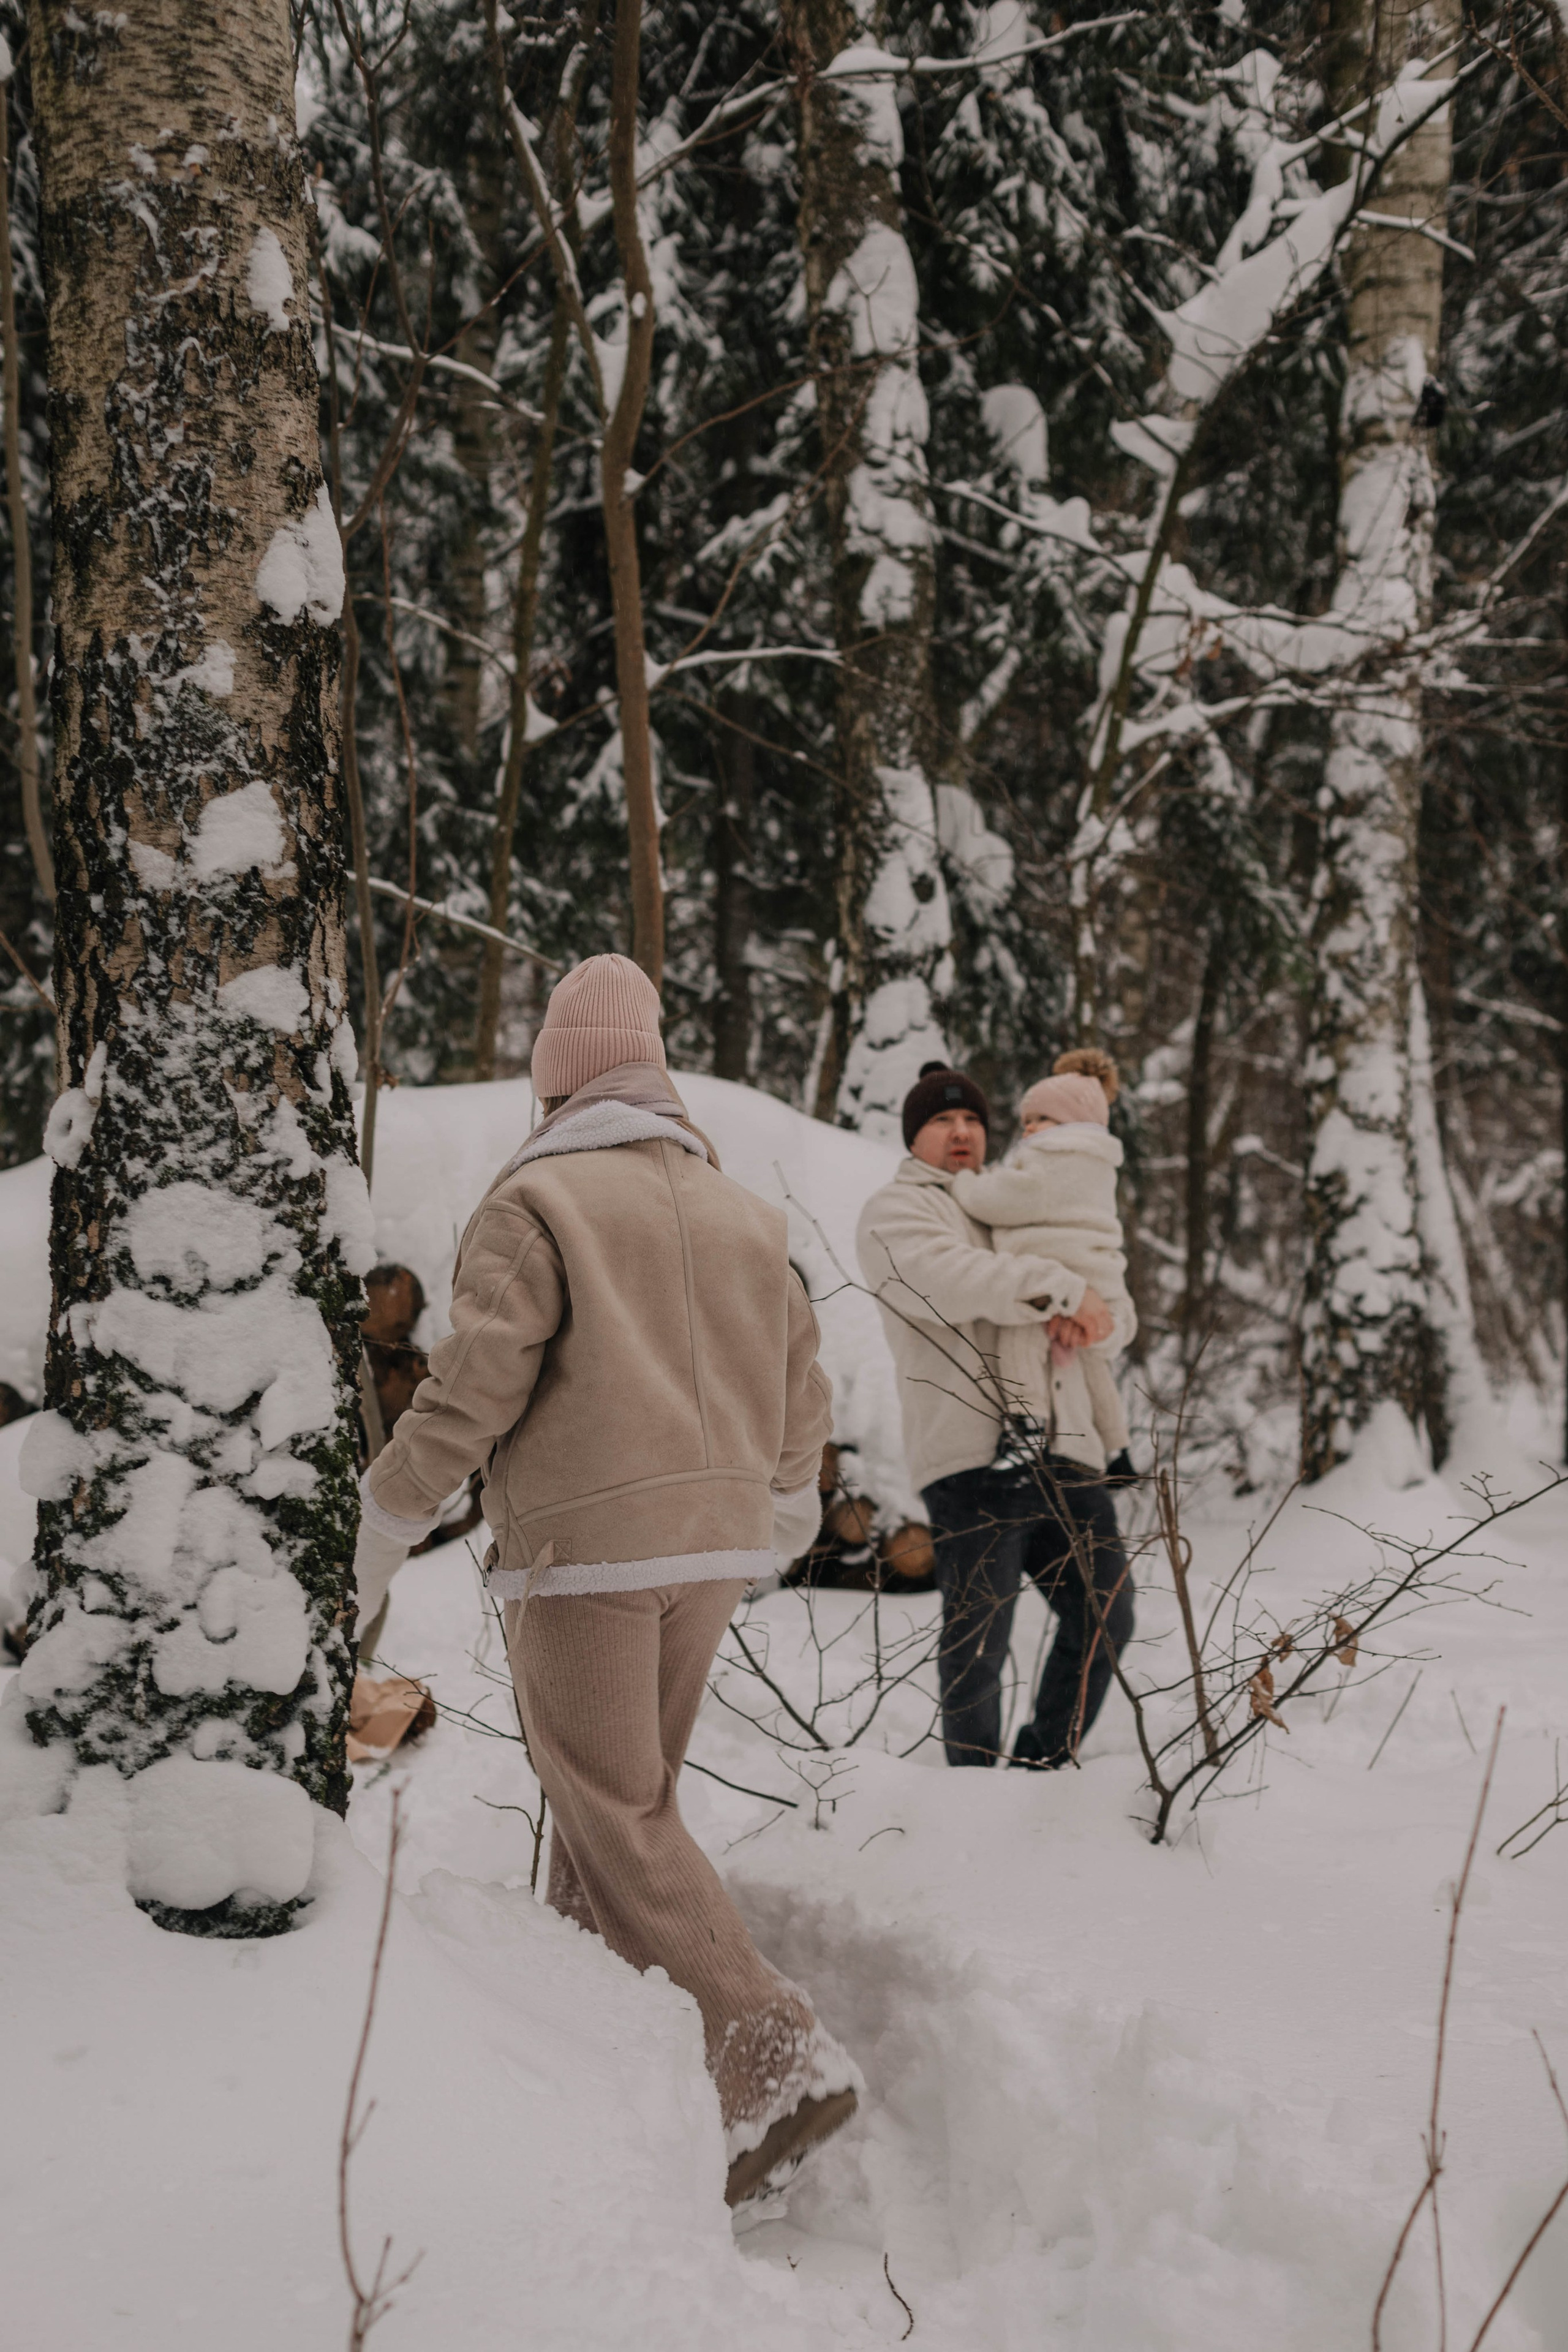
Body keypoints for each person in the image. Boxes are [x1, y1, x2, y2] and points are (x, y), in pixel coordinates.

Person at [352, 952, 859, 2207]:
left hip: (588, 1547)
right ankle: (608, 2062)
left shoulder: (538, 1202)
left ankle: (768, 2048)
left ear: (560, 1075)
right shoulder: (742, 1211)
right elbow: (805, 1385)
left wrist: (386, 1512)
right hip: (715, 1546)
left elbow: (473, 1386)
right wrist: (784, 1501)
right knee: (618, 1806)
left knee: (610, 1803)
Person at [856, 1061, 1136, 1771]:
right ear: (913, 1136)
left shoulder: (1013, 1201)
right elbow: (952, 1279)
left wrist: (1097, 1317)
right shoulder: (897, 1211)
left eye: (974, 1120)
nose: (962, 1133)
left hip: (1066, 1448)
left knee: (1105, 1612)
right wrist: (1060, 1289)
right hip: (974, 1456)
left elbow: (1105, 1292)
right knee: (981, 1636)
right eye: (943, 1121)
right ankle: (973, 1791)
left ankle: (1043, 1765)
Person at [949, 1049, 1136, 1483]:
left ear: (1070, 1126)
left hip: (1058, 1276)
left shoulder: (1053, 1163)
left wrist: (965, 1181)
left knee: (1019, 1342)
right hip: (1099, 1276)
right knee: (1094, 1367)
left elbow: (998, 1200)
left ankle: (1026, 1429)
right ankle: (1119, 1447)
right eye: (1026, 1121)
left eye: (1040, 1120)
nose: (1029, 1129)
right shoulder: (1097, 1165)